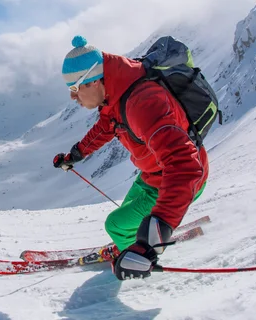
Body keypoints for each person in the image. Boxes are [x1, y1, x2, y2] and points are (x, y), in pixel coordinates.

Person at [53, 35, 209, 281]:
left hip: (174, 179)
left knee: (115, 224)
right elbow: (106, 125)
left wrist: (150, 241)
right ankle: (136, 240)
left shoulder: (142, 103)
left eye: (74, 88)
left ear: (93, 82)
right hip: (151, 175)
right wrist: (75, 154)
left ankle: (138, 254)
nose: (73, 97)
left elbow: (184, 166)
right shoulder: (117, 90)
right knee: (127, 213)